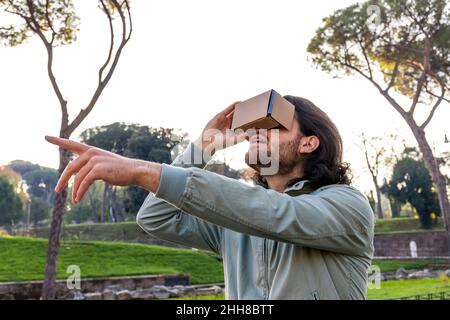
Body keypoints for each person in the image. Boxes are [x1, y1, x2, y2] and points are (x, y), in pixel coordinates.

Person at [46, 95, 374, 300]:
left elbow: (276, 214)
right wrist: (202, 148)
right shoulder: (235, 220)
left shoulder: (347, 206)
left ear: (309, 143)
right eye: (256, 126)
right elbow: (156, 217)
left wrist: (142, 171)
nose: (257, 132)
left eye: (274, 127)